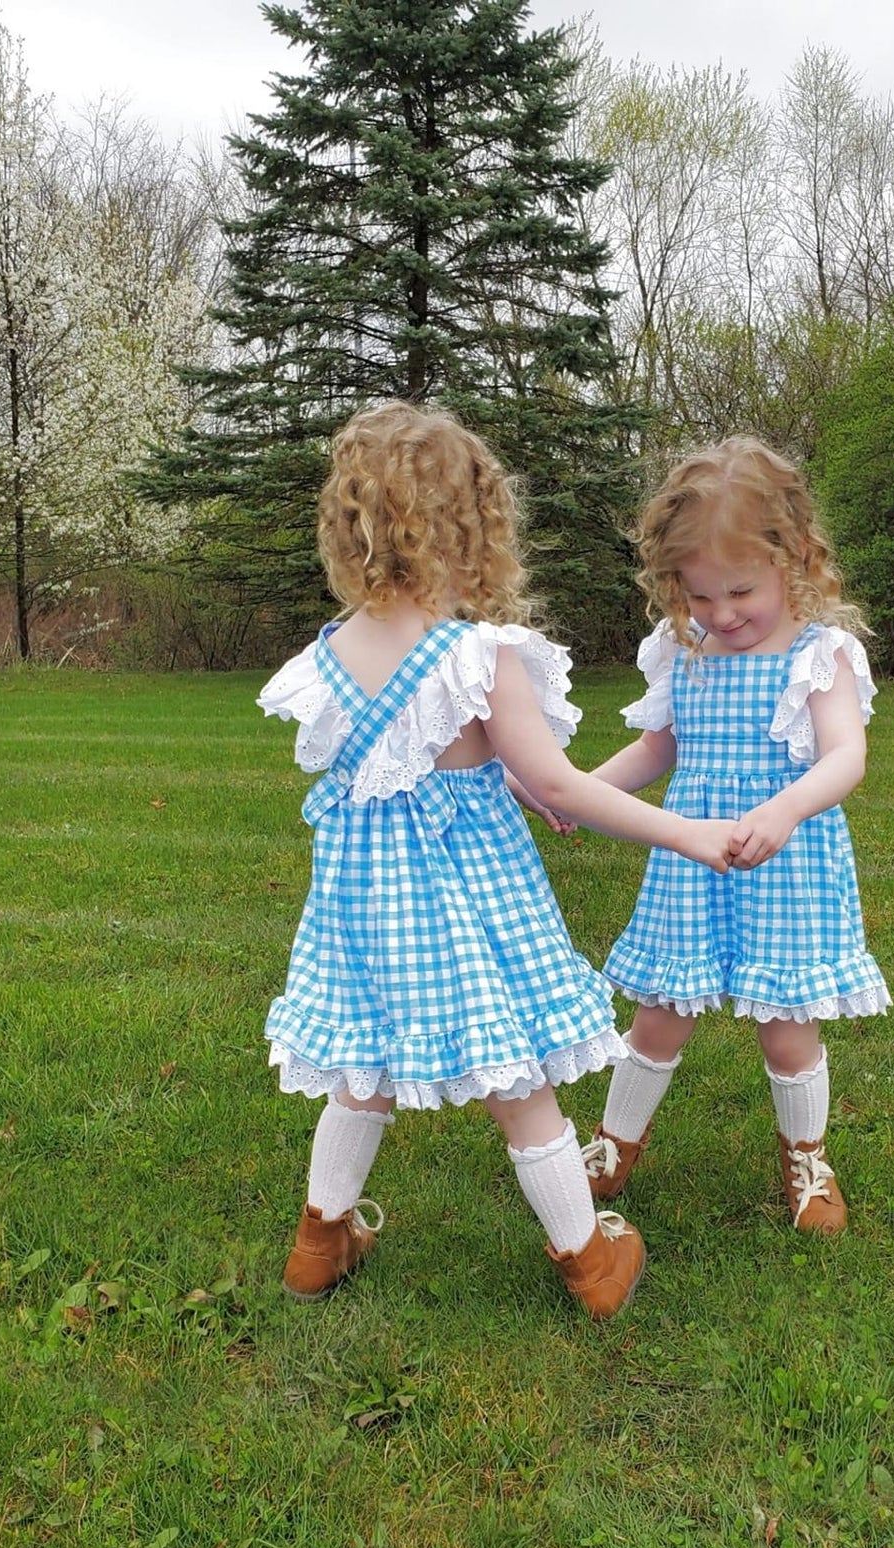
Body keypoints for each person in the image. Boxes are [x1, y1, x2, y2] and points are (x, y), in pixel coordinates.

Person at [257, 401, 734, 1318]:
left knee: (364, 1069)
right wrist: (687, 830)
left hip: (363, 907)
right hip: (464, 903)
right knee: (519, 1082)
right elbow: (553, 782)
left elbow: (417, 769)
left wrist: (516, 787)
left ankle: (320, 1240)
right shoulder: (476, 656)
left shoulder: (327, 655)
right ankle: (588, 1258)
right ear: (471, 529)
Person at [581, 437, 890, 1233]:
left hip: (786, 861)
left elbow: (845, 756)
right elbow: (660, 745)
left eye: (739, 592)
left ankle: (807, 1160)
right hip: (692, 855)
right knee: (658, 1012)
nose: (720, 615)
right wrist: (584, 792)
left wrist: (784, 808)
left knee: (786, 1026)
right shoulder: (684, 654)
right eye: (698, 596)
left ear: (794, 559)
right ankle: (613, 1143)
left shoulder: (820, 656)